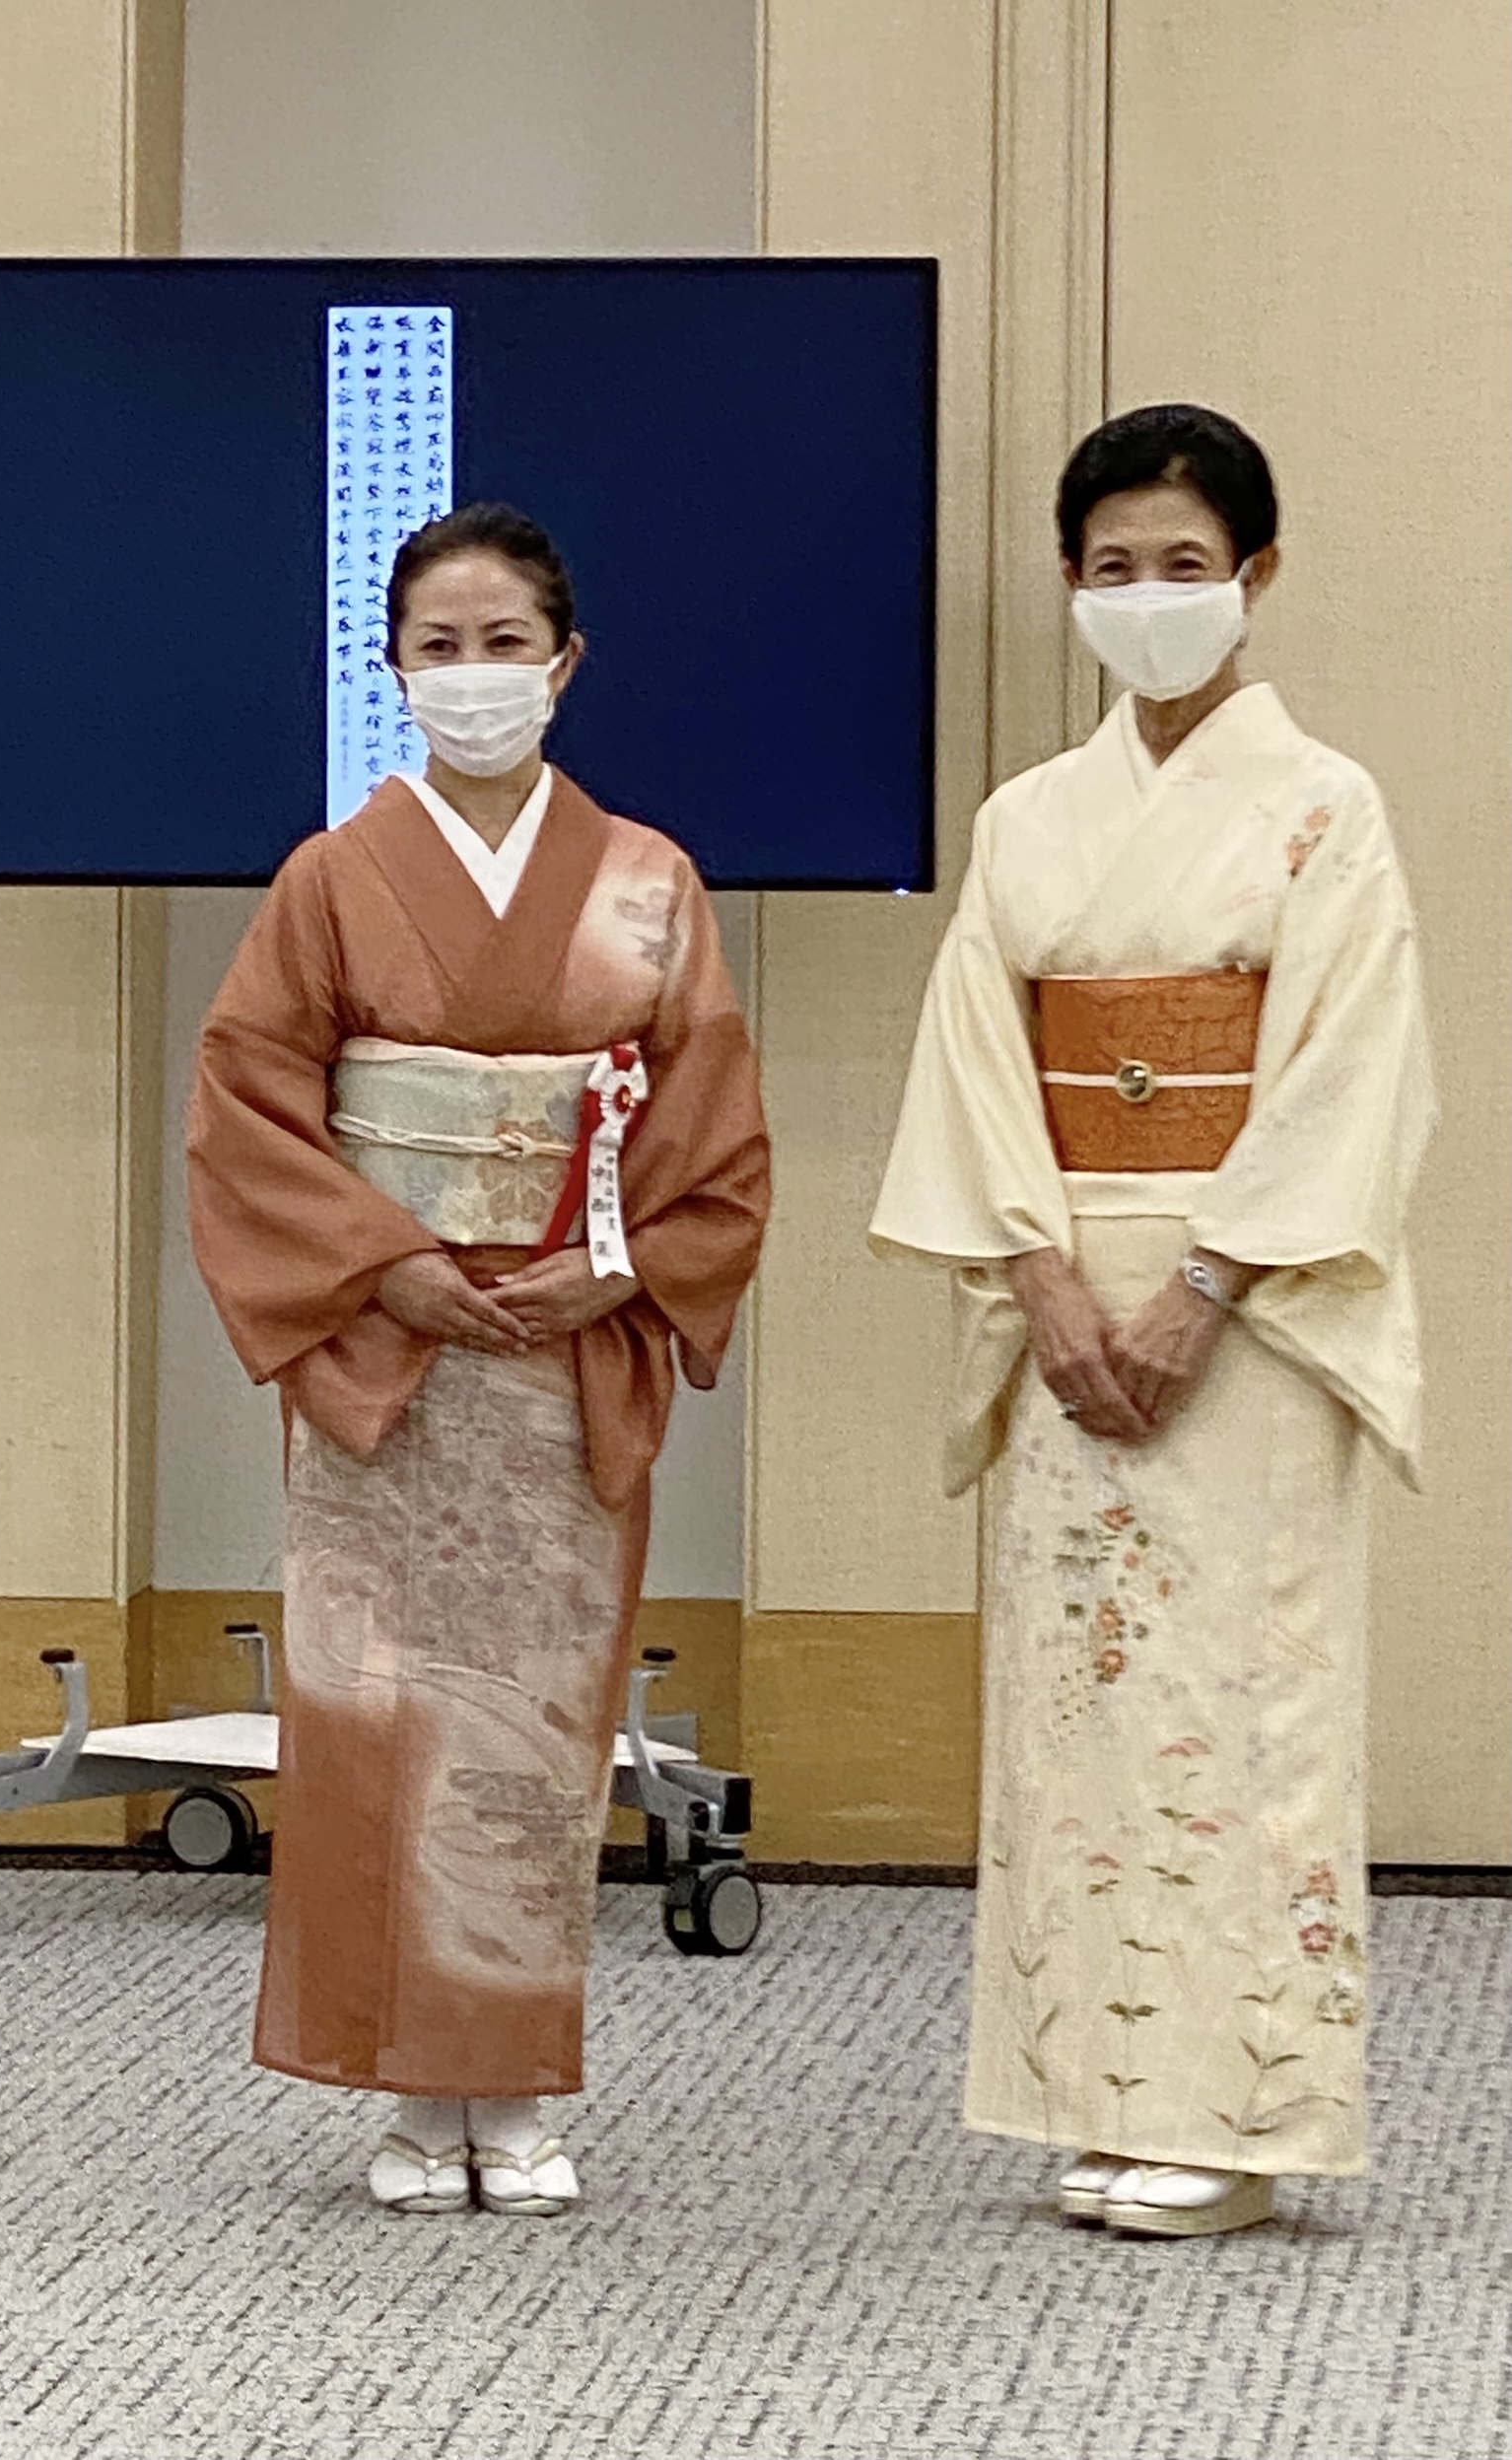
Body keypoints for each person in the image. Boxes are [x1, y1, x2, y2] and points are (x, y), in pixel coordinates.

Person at [871, 405, 1433, 2238]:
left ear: (1254, 575)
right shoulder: (1028, 818)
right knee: (1083, 1695)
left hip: (1246, 1301)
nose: (1145, 593)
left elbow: (1349, 1070)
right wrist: (1040, 1283)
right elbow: (978, 1061)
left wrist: (1202, 1287)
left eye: (1182, 563)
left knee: (1244, 1694)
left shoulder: (1323, 806)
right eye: (1111, 566)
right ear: (1068, 583)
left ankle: (1243, 2118)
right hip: (1061, 1283)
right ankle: (1103, 2094)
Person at [187, 502, 770, 2218]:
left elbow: (714, 1133)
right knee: (376, 1716)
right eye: (437, 646)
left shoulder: (649, 882)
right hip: (386, 1349)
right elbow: (247, 1110)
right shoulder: (329, 879)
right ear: (392, 671)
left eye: (503, 642)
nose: (472, 673)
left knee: (530, 1722)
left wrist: (617, 1269)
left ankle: (506, 2086)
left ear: (564, 662)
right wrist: (393, 1263)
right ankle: (400, 2088)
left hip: (562, 1350)